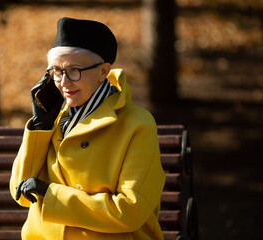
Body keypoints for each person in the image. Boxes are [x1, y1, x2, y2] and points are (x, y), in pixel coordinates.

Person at [10, 17, 166, 240]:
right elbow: (21, 195)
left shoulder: (137, 124)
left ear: (103, 71)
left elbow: (130, 211)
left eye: (74, 70)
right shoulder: (52, 121)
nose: (63, 82)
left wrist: (50, 194)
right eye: (56, 71)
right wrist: (40, 127)